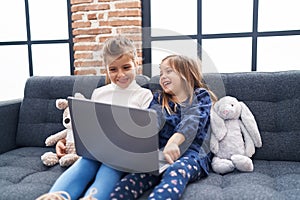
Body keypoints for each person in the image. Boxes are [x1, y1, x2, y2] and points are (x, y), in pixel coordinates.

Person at [36, 35, 153, 200]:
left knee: (109, 168)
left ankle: (94, 197)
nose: (120, 74)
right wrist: (66, 141)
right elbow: (89, 128)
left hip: (124, 155)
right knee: (85, 163)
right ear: (106, 69)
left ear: (136, 64)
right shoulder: (99, 93)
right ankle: (56, 196)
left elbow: (146, 132)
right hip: (98, 150)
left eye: (126, 67)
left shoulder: (144, 96)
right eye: (113, 69)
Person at [109, 54, 217, 200]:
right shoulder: (159, 99)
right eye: (161, 73)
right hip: (159, 154)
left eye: (168, 71)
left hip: (192, 154)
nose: (163, 76)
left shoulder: (200, 95)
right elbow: (151, 119)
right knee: (132, 179)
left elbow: (192, 121)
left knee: (177, 170)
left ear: (186, 75)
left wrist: (173, 142)